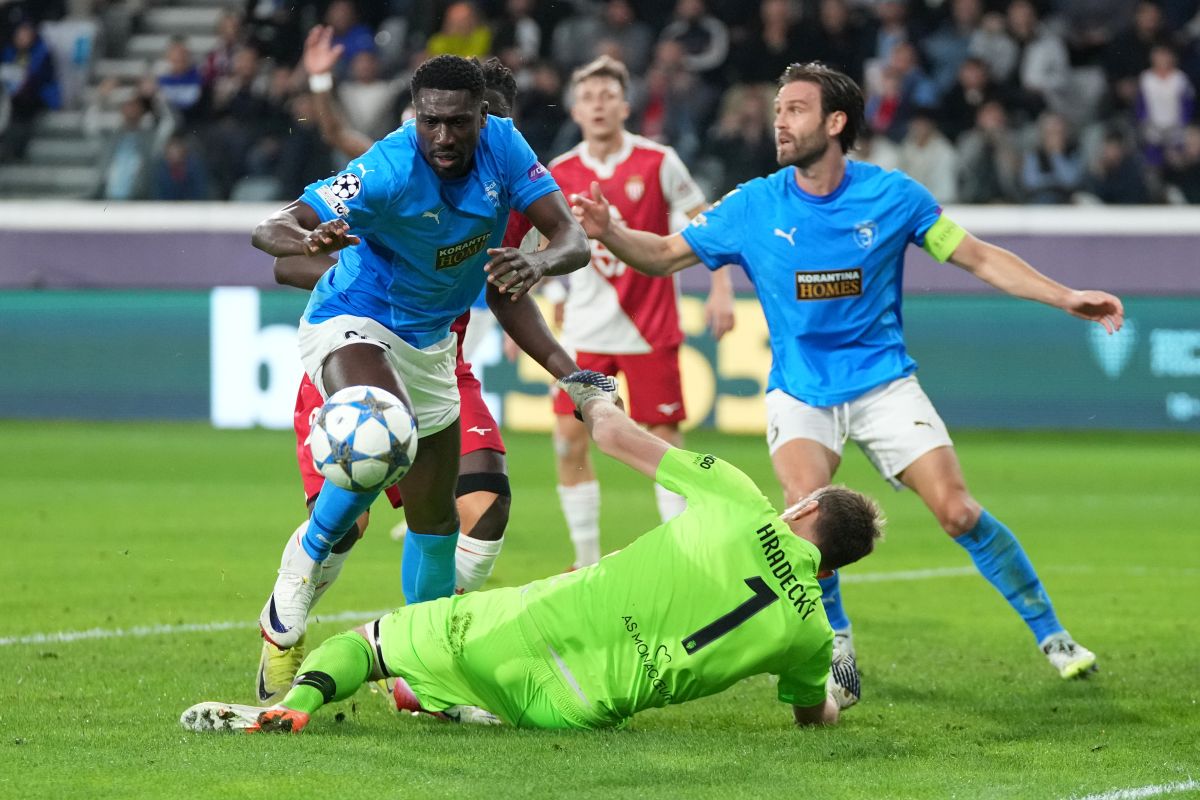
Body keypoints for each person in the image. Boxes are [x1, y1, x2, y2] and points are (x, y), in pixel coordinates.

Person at [570, 62, 1124, 697]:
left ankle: (1052, 634)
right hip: (801, 390)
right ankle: (840, 652)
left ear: (835, 123)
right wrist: (611, 230)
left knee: (958, 511)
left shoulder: (892, 196)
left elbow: (978, 256)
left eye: (796, 109)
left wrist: (1066, 297)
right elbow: (665, 254)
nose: (780, 120)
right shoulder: (753, 204)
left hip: (883, 383)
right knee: (807, 517)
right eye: (778, 108)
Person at [180, 370, 884, 734]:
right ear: (832, 568)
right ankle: (431, 694)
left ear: (807, 507)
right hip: (572, 710)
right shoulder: (812, 634)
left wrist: (595, 395)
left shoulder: (739, 499)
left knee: (370, 642)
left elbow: (616, 439)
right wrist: (838, 697)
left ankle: (299, 703)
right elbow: (810, 716)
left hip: (534, 626)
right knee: (448, 679)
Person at [249, 56, 589, 668]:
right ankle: (297, 573)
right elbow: (273, 229)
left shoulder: (506, 148)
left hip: (431, 345)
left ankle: (422, 671)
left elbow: (572, 239)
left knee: (436, 521)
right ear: (415, 115)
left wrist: (537, 264)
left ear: (482, 118)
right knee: (386, 430)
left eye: (457, 123)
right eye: (430, 122)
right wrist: (308, 240)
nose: (443, 137)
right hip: (353, 320)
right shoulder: (386, 167)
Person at [547, 55, 734, 569]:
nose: (599, 105)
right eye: (589, 97)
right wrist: (559, 297)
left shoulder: (658, 161)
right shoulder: (560, 172)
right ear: (576, 110)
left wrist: (721, 288)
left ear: (625, 106)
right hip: (586, 328)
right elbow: (548, 241)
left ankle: (678, 555)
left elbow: (706, 224)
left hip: (650, 324)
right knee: (568, 441)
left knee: (664, 442)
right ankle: (585, 559)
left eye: (608, 96)